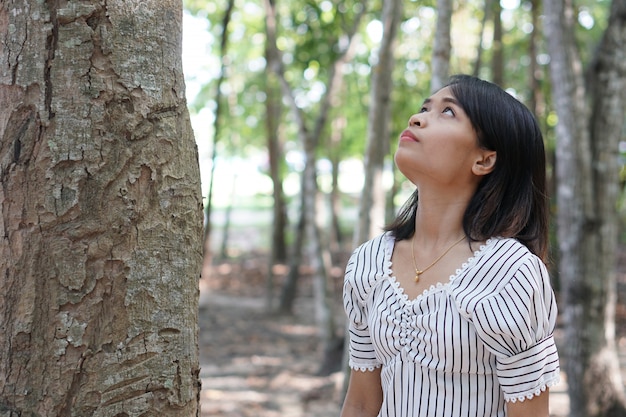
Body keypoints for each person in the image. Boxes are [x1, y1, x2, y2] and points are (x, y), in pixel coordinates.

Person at [341, 75, 560, 417]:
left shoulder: (510, 273)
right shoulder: (369, 262)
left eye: (447, 112)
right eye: (424, 107)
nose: (418, 118)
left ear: (484, 160)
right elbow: (360, 404)